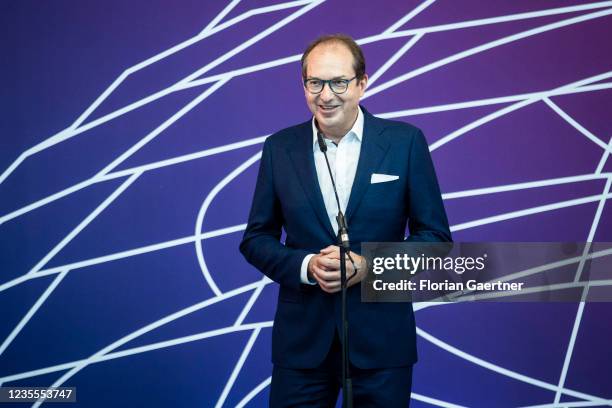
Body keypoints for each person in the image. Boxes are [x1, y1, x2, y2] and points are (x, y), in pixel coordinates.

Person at [240, 34, 451, 407]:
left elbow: (434, 237)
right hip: (302, 345)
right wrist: (306, 265)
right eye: (315, 82)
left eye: (338, 82)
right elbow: (257, 238)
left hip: (382, 342)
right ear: (303, 84)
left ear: (362, 83)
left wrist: (369, 266)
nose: (326, 95)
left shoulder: (405, 143)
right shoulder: (279, 148)